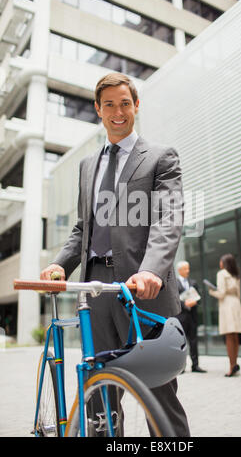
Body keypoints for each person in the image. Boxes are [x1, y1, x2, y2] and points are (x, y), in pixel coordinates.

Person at [40, 72, 190, 437]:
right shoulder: (87, 165)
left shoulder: (160, 157)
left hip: (142, 289)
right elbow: (83, 228)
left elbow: (168, 219)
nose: (118, 112)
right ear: (98, 109)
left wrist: (152, 270)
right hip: (94, 288)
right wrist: (60, 265)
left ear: (136, 106)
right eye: (109, 105)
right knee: (98, 392)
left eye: (125, 103)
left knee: (157, 391)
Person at [208, 254, 241, 377]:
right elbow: (239, 294)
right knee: (235, 336)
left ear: (224, 262)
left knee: (229, 337)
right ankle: (235, 363)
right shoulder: (235, 274)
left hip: (226, 305)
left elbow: (221, 294)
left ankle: (231, 367)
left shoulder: (221, 273)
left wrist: (211, 291)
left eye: (220, 260)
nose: (219, 262)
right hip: (236, 304)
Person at [176, 261, 207, 373]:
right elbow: (174, 299)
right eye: (185, 269)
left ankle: (195, 365)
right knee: (181, 342)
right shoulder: (174, 283)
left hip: (192, 317)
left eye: (188, 268)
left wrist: (195, 302)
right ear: (179, 270)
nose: (187, 271)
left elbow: (199, 298)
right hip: (181, 317)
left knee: (194, 341)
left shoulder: (193, 282)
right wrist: (184, 304)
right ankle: (181, 367)